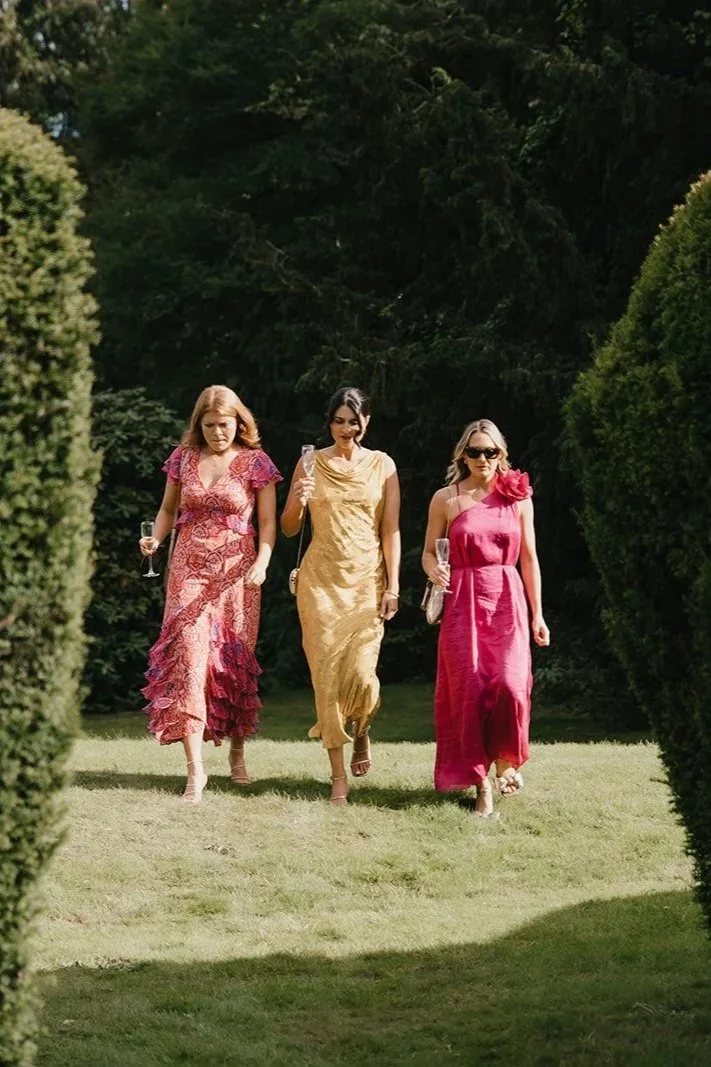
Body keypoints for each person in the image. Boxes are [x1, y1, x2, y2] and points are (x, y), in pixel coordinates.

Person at [139, 385, 282, 803]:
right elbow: (167, 510)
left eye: (225, 424)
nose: (218, 432)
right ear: (198, 425)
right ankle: (195, 769)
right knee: (188, 655)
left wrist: (264, 562)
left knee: (231, 662)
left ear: (239, 422)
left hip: (237, 572)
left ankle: (237, 754)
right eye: (210, 425)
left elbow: (269, 524)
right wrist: (156, 540)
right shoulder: (183, 458)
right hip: (187, 567)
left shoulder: (257, 462)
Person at [422, 419, 549, 817]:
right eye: (475, 451)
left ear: (501, 455)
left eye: (491, 452)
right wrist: (434, 569)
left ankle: (507, 761)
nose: (483, 459)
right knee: (470, 691)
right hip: (463, 600)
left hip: (508, 598)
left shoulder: (518, 497)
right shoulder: (446, 498)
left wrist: (538, 615)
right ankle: (481, 785)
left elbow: (529, 559)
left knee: (511, 686)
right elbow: (428, 551)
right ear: (463, 454)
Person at [280, 387, 401, 805]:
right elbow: (290, 529)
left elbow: (391, 530)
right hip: (320, 585)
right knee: (326, 679)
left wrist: (394, 586)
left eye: (354, 420)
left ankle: (362, 729)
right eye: (339, 420)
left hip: (368, 580)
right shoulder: (310, 462)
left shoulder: (383, 465)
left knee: (364, 678)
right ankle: (337, 777)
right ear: (328, 422)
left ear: (367, 421)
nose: (347, 428)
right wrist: (296, 501)